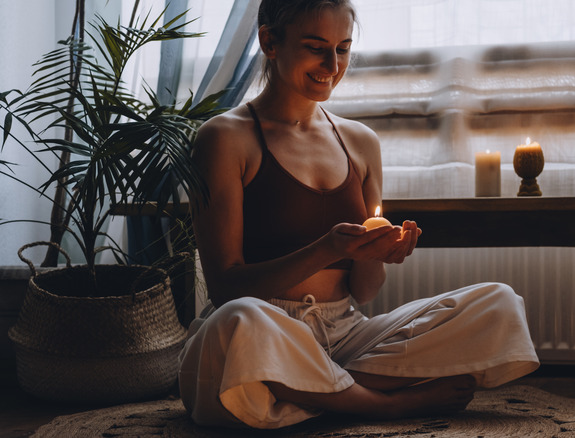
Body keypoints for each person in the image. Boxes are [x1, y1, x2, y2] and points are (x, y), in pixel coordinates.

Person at [178, 0, 540, 430]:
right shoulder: (223, 138)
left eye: (343, 49)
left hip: (346, 333)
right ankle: (382, 403)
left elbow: (365, 291)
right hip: (265, 331)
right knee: (235, 325)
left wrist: (375, 252)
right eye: (316, 47)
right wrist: (327, 248)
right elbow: (225, 288)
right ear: (269, 41)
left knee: (498, 303)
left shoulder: (360, 141)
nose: (332, 65)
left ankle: (307, 391)